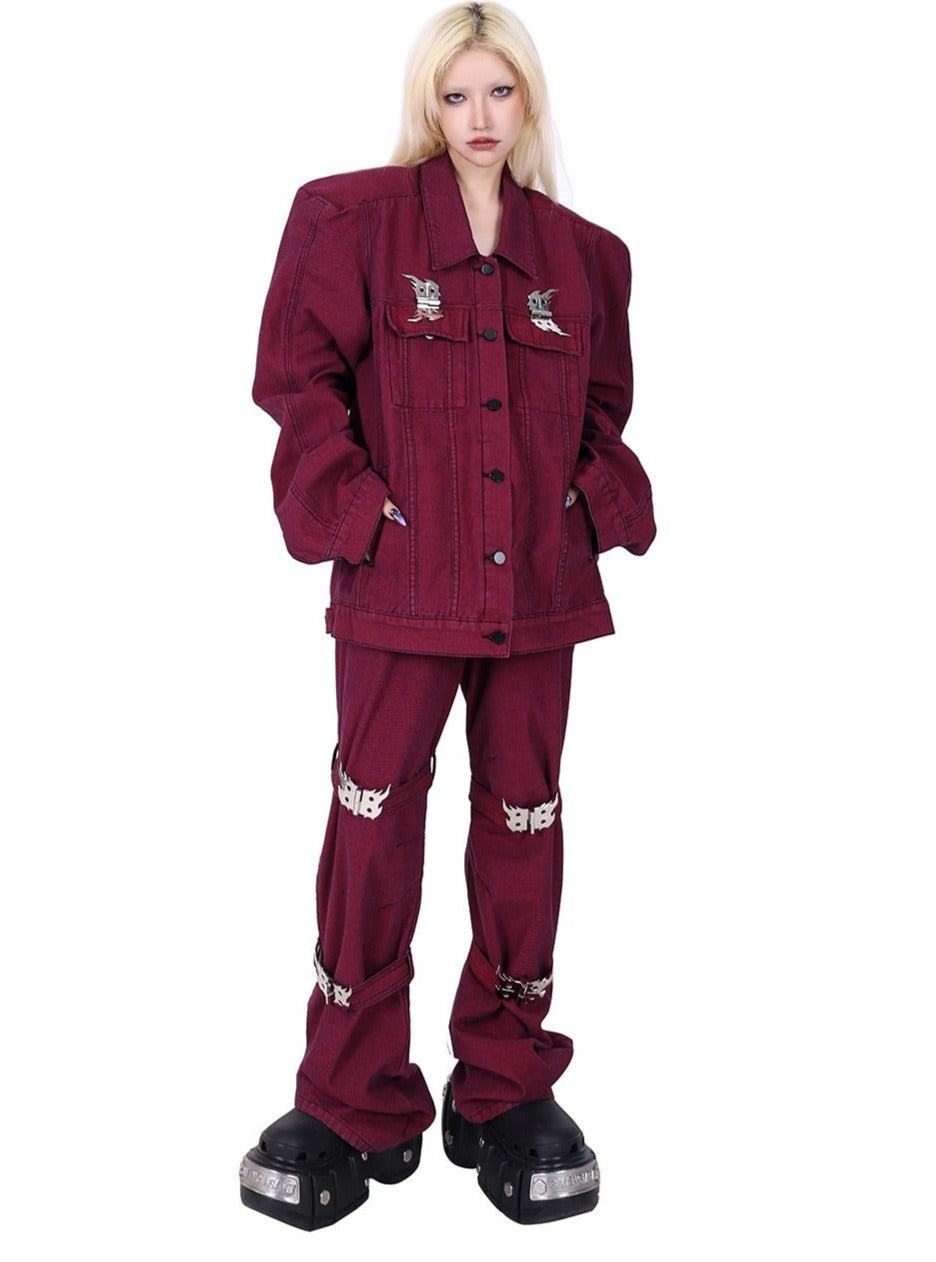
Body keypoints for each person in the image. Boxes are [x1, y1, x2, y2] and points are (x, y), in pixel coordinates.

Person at [239, 0, 656, 1230]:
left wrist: (579, 502)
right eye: (459, 93)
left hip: (538, 592)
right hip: (399, 584)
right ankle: (349, 1093)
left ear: (529, 102)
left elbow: (605, 410)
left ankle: (507, 1085)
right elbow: (297, 380)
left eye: (502, 92)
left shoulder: (587, 256)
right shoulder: (349, 221)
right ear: (430, 100)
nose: (480, 117)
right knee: (371, 825)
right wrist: (362, 513)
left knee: (526, 822)